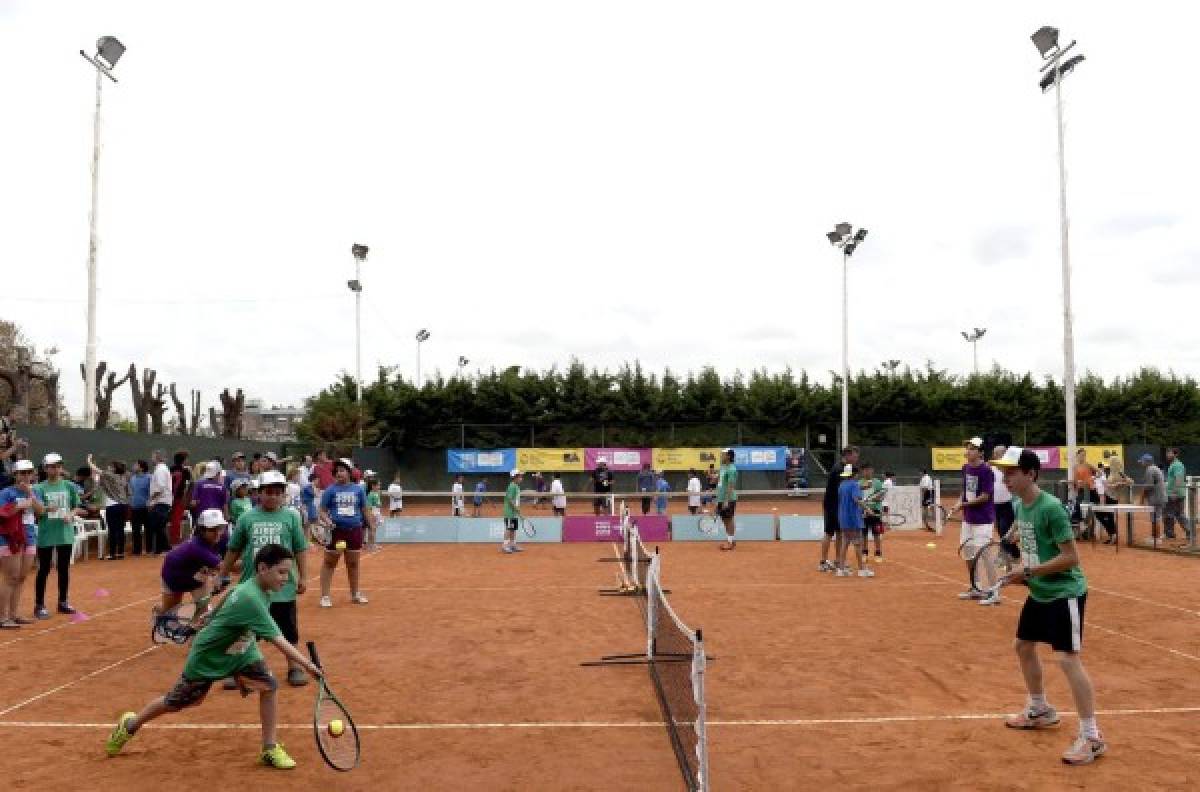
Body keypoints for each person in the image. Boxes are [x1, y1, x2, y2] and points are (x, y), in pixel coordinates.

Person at [106, 543, 323, 769]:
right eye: (281, 572)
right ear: (262, 568)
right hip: (210, 656)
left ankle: (269, 748)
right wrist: (308, 665)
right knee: (179, 701)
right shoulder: (252, 599)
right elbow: (278, 640)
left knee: (268, 686)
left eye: (288, 573)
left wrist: (210, 617)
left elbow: (230, 594)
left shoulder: (256, 588)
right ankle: (130, 724)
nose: (286, 578)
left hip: (241, 651)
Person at [992, 447, 1104, 765]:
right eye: (1004, 473)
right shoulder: (1019, 504)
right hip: (1039, 590)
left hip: (1064, 592)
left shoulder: (1051, 508)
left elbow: (1071, 557)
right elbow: (1025, 536)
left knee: (1068, 660)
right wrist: (1015, 551)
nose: (1006, 478)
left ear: (1031, 474)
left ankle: (1092, 736)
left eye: (1011, 473)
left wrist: (1026, 572)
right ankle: (1040, 708)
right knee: (1023, 646)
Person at [221, 471, 309, 686]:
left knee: (287, 628)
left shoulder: (291, 517)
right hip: (252, 587)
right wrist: (223, 573)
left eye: (279, 493)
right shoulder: (246, 518)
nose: (274, 497)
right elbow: (234, 549)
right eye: (269, 492)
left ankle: (294, 667)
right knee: (243, 630)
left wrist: (303, 577)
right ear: (258, 493)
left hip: (283, 587)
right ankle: (238, 669)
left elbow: (300, 549)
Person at [33, 453, 88, 619]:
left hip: (65, 533)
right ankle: (39, 604)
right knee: (44, 569)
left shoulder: (69, 486)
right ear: (45, 468)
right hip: (46, 533)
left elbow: (77, 507)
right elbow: (37, 512)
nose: (55, 469)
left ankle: (63, 601)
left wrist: (71, 515)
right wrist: (45, 509)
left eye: (58, 466)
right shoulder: (38, 488)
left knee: (64, 569)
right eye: (51, 466)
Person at [317, 459, 373, 607]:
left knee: (353, 564)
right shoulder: (330, 490)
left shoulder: (358, 489)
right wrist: (328, 521)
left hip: (354, 530)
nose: (339, 473)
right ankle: (325, 596)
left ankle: (355, 594)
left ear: (349, 472)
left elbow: (365, 509)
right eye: (337, 471)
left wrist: (371, 525)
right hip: (336, 531)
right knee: (329, 563)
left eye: (342, 470)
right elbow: (322, 511)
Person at [157, 508, 225, 619]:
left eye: (220, 528)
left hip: (197, 577)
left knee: (203, 613)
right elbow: (224, 566)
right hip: (174, 577)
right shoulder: (197, 547)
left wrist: (218, 576)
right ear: (202, 530)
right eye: (212, 529)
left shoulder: (218, 540)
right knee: (169, 613)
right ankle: (158, 610)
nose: (218, 533)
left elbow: (217, 564)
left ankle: (197, 634)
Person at [948, 437, 995, 601]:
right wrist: (958, 503)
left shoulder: (986, 471)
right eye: (967, 448)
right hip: (968, 519)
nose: (968, 451)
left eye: (972, 449)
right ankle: (976, 587)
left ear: (981, 453)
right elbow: (964, 491)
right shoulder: (965, 468)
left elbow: (985, 496)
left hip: (983, 520)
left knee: (985, 554)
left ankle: (993, 591)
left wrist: (964, 505)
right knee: (968, 554)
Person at [0, 459, 44, 628]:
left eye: (28, 472)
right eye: (22, 473)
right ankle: (2, 617)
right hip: (10, 538)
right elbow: (3, 513)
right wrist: (19, 506)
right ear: (15, 474)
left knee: (21, 577)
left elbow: (40, 512)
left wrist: (31, 495)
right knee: (10, 577)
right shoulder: (6, 492)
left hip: (29, 537)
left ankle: (14, 614)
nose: (26, 476)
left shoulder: (34, 491)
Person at [820, 446, 859, 571]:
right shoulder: (838, 468)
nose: (856, 459)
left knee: (840, 533)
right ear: (847, 456)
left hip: (839, 505)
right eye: (854, 456)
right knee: (829, 532)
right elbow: (843, 488)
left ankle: (838, 560)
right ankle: (823, 562)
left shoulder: (847, 468)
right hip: (831, 505)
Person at [89, 455, 131, 560]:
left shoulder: (110, 475)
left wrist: (89, 461)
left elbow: (96, 470)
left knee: (112, 530)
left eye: (110, 466)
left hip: (112, 507)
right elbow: (129, 492)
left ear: (114, 468)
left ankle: (112, 554)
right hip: (123, 506)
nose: (108, 467)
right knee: (120, 529)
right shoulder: (124, 477)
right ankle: (120, 553)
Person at [835, 464, 872, 578]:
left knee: (845, 543)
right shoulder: (855, 485)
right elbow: (856, 500)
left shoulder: (841, 485)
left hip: (843, 518)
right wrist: (868, 509)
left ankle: (840, 570)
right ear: (855, 474)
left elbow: (848, 500)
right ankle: (862, 570)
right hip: (853, 519)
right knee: (857, 544)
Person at [147, 450, 173, 554]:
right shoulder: (160, 469)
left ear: (158, 457)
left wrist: (151, 500)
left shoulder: (160, 470)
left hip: (161, 501)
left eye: (153, 456)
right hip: (161, 501)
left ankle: (165, 548)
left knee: (158, 526)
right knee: (158, 526)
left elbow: (160, 487)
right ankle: (159, 549)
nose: (151, 458)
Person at [1137, 453, 1166, 542]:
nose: (1141, 463)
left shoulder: (1150, 469)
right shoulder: (1155, 468)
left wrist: (1141, 498)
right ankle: (1154, 537)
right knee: (1155, 517)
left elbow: (1148, 486)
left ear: (1146, 462)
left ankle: (1156, 538)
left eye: (1142, 461)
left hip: (1156, 498)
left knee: (1155, 518)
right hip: (1159, 497)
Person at [860, 462, 885, 563]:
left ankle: (878, 553)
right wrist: (865, 508)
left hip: (875, 511)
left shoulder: (878, 482)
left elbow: (882, 496)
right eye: (865, 470)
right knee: (864, 534)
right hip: (863, 511)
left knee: (876, 534)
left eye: (869, 469)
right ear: (862, 471)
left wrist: (874, 500)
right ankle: (864, 553)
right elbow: (858, 498)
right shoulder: (859, 483)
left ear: (872, 470)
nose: (867, 472)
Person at [190, 460, 228, 525]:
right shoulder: (222, 487)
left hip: (202, 519)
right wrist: (226, 520)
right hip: (217, 519)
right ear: (218, 473)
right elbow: (225, 506)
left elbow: (193, 503)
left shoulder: (198, 484)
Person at [168, 450, 192, 546]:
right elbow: (187, 485)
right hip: (179, 498)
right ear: (184, 460)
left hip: (168, 497)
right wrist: (186, 498)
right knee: (176, 520)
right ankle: (175, 541)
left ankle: (171, 540)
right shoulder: (186, 471)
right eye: (187, 459)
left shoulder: (170, 469)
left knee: (171, 520)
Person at [1163, 447, 1188, 542]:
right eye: (1167, 453)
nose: (1167, 455)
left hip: (1175, 494)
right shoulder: (1173, 464)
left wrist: (1174, 492)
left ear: (1176, 454)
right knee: (1172, 515)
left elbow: (1179, 478)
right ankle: (1170, 534)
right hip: (1173, 494)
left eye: (1169, 453)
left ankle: (1189, 532)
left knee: (1175, 515)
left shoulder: (1177, 465)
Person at [716, 448, 738, 551]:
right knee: (725, 519)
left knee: (728, 519)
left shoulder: (732, 469)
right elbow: (721, 483)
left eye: (723, 454)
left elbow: (730, 486)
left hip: (728, 499)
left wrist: (726, 500)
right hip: (721, 498)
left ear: (729, 456)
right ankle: (730, 540)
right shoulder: (723, 467)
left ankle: (730, 542)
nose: (721, 456)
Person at [128, 460, 152, 556]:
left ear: (141, 467)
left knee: (148, 529)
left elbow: (153, 491)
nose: (134, 466)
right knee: (136, 530)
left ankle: (149, 549)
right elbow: (130, 492)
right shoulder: (132, 478)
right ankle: (137, 550)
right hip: (135, 508)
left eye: (136, 465)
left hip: (146, 508)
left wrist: (150, 503)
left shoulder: (149, 478)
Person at [1071, 449, 1096, 539]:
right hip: (1080, 490)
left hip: (1089, 490)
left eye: (1084, 455)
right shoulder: (1075, 467)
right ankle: (1080, 526)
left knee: (1089, 508)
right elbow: (1074, 480)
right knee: (1075, 506)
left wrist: (1092, 479)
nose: (1082, 457)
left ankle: (1087, 528)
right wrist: (1075, 485)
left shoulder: (1088, 465)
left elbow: (1100, 472)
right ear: (1077, 456)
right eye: (1081, 455)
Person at [502, 469, 525, 554]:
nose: (521, 478)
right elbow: (510, 500)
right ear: (515, 477)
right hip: (509, 512)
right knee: (509, 528)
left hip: (514, 512)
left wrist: (517, 510)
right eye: (520, 476)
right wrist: (516, 509)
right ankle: (504, 546)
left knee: (513, 529)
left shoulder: (516, 486)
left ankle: (513, 545)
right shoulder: (512, 486)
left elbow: (515, 500)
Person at [364, 478, 382, 551]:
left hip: (376, 512)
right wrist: (372, 515)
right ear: (373, 486)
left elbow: (378, 504)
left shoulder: (376, 493)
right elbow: (369, 506)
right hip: (373, 513)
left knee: (373, 529)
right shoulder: (371, 495)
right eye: (378, 485)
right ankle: (371, 545)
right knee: (372, 529)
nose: (379, 487)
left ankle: (371, 545)